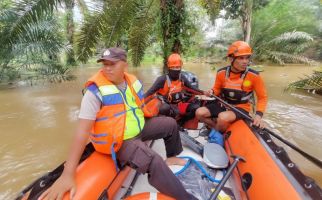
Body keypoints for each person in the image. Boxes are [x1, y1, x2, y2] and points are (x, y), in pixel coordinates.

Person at [39, 47, 197, 200]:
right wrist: (68, 173)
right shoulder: (95, 92)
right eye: (104, 64)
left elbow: (138, 107)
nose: (107, 68)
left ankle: (171, 157)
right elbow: (82, 132)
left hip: (138, 129)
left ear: (125, 65)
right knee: (153, 160)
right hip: (119, 141)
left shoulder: (132, 82)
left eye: (112, 64)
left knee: (170, 124)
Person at [196, 41, 268, 133]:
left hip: (241, 108)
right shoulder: (221, 73)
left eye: (247, 58)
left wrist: (258, 116)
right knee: (199, 113)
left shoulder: (254, 76)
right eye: (241, 58)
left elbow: (262, 97)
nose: (245, 62)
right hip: (223, 104)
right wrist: (211, 91)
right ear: (231, 59)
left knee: (222, 117)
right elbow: (217, 88)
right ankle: (216, 129)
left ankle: (216, 133)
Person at [144, 53, 200, 125]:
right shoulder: (162, 79)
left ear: (180, 67)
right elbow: (149, 92)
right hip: (167, 105)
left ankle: (182, 121)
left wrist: (205, 92)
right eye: (173, 67)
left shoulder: (182, 77)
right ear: (169, 67)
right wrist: (137, 102)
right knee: (164, 108)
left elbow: (192, 88)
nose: (175, 69)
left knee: (195, 107)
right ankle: (169, 123)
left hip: (178, 104)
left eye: (178, 67)